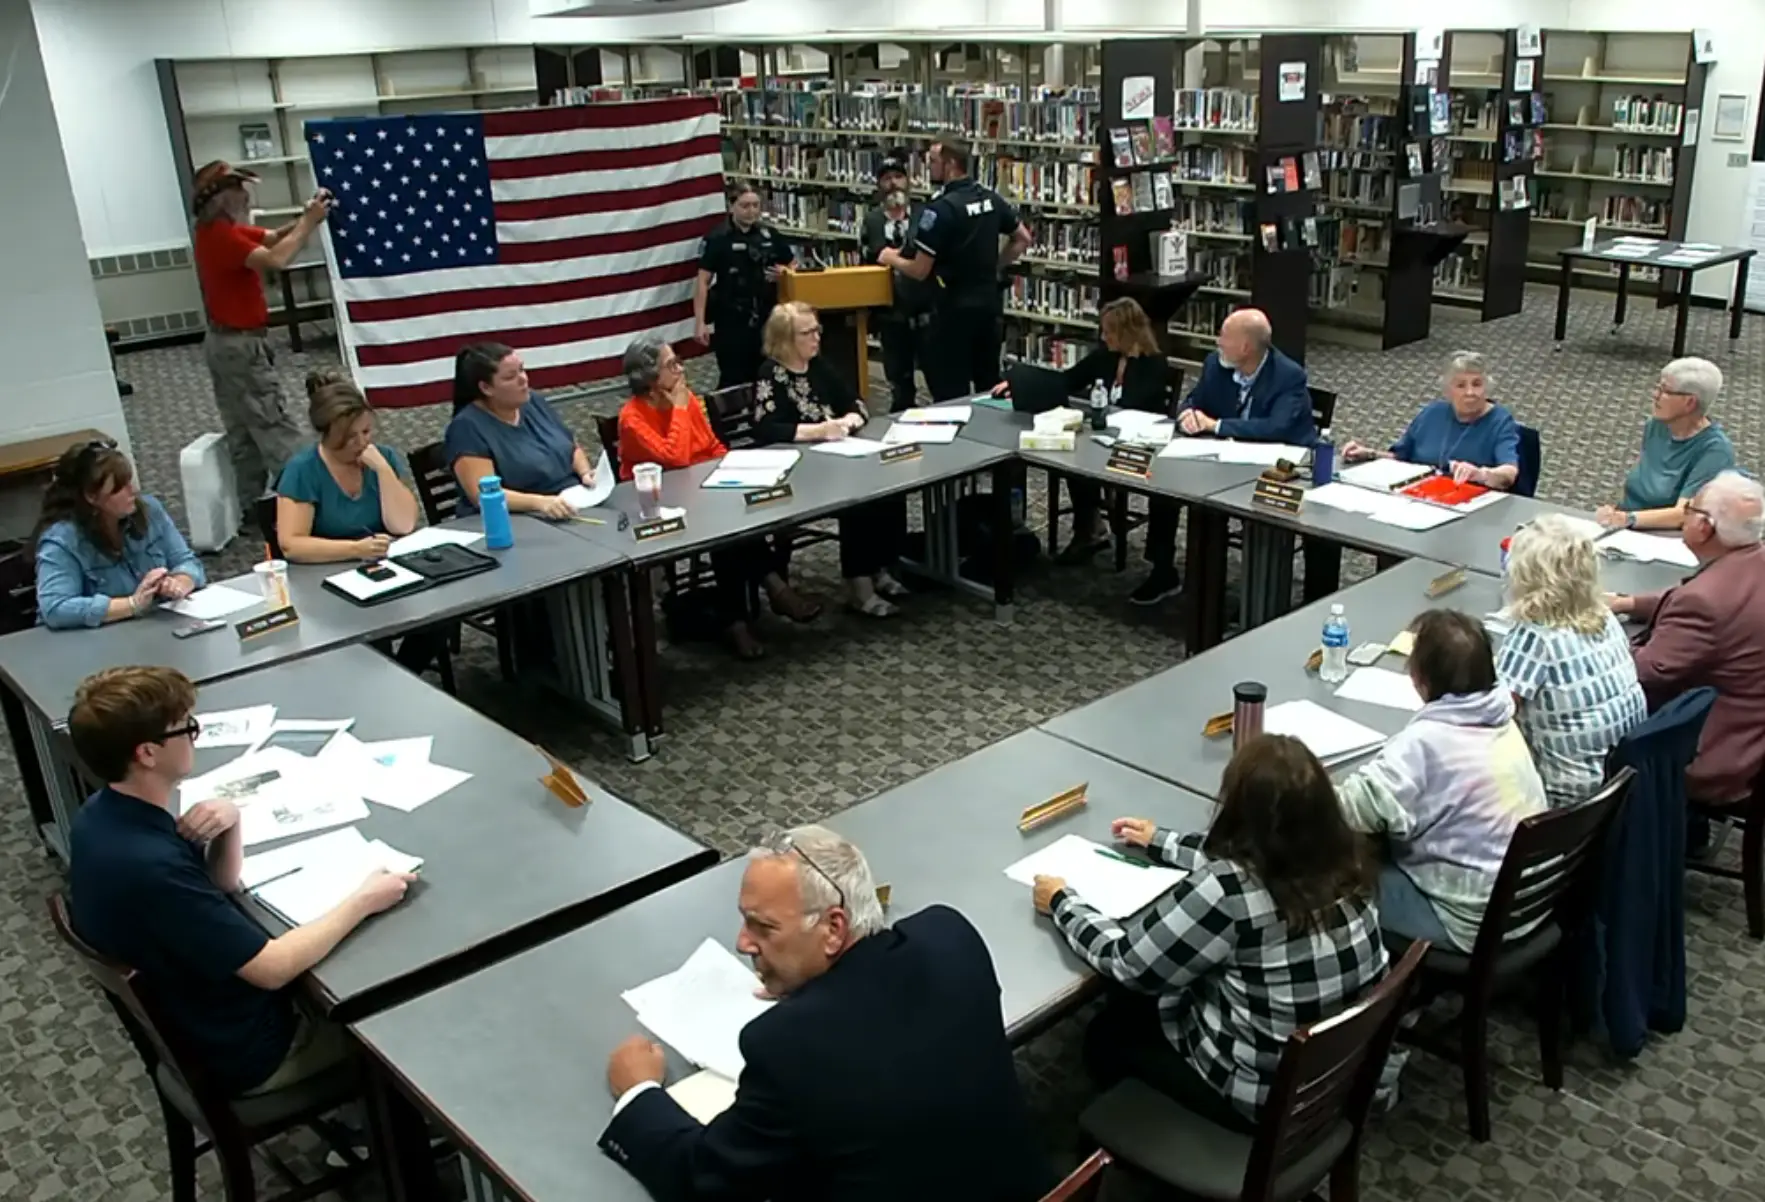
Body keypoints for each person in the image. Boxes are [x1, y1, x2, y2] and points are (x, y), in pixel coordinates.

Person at [599, 825, 1052, 1202]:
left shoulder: (787, 1046)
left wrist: (637, 1092)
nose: (742, 943)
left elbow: (704, 1180)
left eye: (764, 926)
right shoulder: (949, 935)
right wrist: (815, 993)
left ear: (834, 929)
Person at [66, 666, 414, 1096]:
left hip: (200, 1015)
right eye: (185, 729)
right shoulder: (152, 867)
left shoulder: (100, 815)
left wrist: (230, 822)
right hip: (249, 1050)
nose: (195, 737)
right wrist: (363, 899)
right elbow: (273, 970)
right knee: (397, 1017)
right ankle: (388, 1133)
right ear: (147, 754)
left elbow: (220, 883)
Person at [1035, 734, 1386, 1131]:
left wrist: (1063, 902)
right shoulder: (1348, 861)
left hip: (1262, 1102)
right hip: (1337, 1080)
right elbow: (1264, 855)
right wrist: (1161, 841)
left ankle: (1152, 1146)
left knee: (1107, 1033)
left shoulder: (1229, 890)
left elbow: (1128, 964)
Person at [1335, 610, 1548, 950]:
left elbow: (1350, 810)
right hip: (1529, 905)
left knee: (1335, 869)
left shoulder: (1424, 744)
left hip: (1468, 920)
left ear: (1420, 678)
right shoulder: (1503, 720)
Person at [617, 335, 822, 659]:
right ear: (650, 377)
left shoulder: (685, 400)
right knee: (726, 535)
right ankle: (756, 605)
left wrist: (732, 467)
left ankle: (758, 602)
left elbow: (711, 445)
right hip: (664, 505)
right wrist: (682, 410)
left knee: (738, 523)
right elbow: (677, 458)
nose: (681, 369)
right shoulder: (633, 418)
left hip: (705, 488)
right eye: (672, 365)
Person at [1132, 308, 1314, 607]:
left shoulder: (1288, 376)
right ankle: (1163, 570)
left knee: (1257, 508)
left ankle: (1258, 603)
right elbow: (1194, 400)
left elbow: (1276, 427)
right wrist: (1188, 415)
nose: (1217, 342)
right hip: (1222, 455)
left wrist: (1215, 425)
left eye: (1224, 336)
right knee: (1165, 486)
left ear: (1245, 348)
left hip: (1275, 466)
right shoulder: (1216, 365)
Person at [1610, 471, 1765, 804]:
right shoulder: (1751, 561)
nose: (1685, 516)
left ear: (1705, 527)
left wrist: (1592, 642)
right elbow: (1694, 596)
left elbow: (1644, 672)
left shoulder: (1706, 601)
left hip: (1713, 747)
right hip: (1753, 726)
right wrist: (1629, 604)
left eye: (1691, 509)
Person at [190, 160, 328, 523]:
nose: (245, 196)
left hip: (226, 344)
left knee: (244, 432)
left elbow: (270, 238)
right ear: (221, 198)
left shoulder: (220, 232)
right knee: (273, 424)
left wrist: (305, 217)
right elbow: (277, 259)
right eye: (238, 190)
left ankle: (254, 508)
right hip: (240, 346)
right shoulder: (222, 236)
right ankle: (309, 504)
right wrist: (310, 223)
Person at [753, 302, 909, 617]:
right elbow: (767, 428)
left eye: (817, 330)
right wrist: (819, 430)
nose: (816, 338)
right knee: (857, 498)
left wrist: (850, 420)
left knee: (891, 484)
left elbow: (853, 401)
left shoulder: (818, 365)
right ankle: (859, 585)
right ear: (786, 339)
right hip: (798, 468)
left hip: (836, 455)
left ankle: (881, 567)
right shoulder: (772, 375)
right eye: (807, 332)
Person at [995, 297, 1175, 563]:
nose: (1104, 337)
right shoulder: (1104, 357)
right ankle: (1088, 529)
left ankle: (1094, 529)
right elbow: (1067, 380)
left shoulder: (1153, 364)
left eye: (1109, 332)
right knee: (1072, 459)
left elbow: (1136, 405)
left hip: (1136, 445)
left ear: (1127, 332)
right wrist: (1020, 381)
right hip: (1100, 437)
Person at [1496, 516, 1647, 808]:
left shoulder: (1536, 635)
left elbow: (1492, 715)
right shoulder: (1604, 615)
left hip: (1562, 801)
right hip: (1614, 785)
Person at [878, 139, 1031, 401]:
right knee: (988, 385)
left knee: (950, 392)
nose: (929, 168)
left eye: (934, 163)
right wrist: (995, 265)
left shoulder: (940, 210)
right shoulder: (990, 198)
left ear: (950, 165)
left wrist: (891, 258)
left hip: (951, 312)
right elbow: (1023, 238)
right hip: (988, 306)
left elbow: (920, 270)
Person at [35, 440, 206, 630]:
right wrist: (132, 604)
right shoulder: (63, 541)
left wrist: (179, 582)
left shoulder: (150, 511)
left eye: (129, 482)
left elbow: (187, 562)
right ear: (91, 496)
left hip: (150, 629)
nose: (132, 490)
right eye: (119, 487)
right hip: (94, 640)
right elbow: (55, 609)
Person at [275, 370, 419, 562]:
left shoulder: (383, 457)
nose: (362, 442)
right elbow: (291, 545)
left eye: (366, 431)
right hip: (326, 568)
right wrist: (355, 549)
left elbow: (403, 525)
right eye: (350, 437)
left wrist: (384, 471)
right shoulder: (303, 470)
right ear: (328, 434)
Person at [444, 342, 597, 518]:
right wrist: (540, 502)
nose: (523, 379)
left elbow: (570, 446)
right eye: (510, 377)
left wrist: (585, 472)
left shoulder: (533, 401)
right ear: (486, 388)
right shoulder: (466, 428)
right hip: (516, 518)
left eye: (522, 370)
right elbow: (483, 495)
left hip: (571, 502)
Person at [1595, 357, 1735, 532]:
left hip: (1664, 536)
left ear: (1689, 402)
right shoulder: (1656, 425)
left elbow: (1684, 514)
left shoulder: (1715, 450)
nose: (1656, 395)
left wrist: (1627, 519)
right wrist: (1614, 514)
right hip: (1628, 526)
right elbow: (1638, 483)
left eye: (1665, 391)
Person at [1343, 351, 1520, 489]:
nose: (1470, 392)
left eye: (1477, 384)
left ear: (1487, 387)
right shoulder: (1432, 413)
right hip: (1420, 496)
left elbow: (1509, 473)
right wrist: (1369, 454)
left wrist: (1481, 474)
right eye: (1461, 385)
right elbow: (1401, 457)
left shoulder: (1500, 421)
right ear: (1448, 390)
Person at [694, 185, 797, 388]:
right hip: (732, 319)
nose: (751, 211)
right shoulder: (717, 238)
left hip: (766, 316)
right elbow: (702, 281)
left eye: (756, 205)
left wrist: (784, 273)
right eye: (745, 206)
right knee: (733, 378)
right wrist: (700, 322)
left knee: (768, 375)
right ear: (731, 206)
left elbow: (793, 264)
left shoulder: (769, 235)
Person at [860, 153, 935, 412]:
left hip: (926, 309)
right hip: (891, 313)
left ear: (908, 180)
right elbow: (869, 260)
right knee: (899, 380)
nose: (893, 184)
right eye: (886, 179)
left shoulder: (925, 215)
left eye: (898, 177)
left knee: (936, 376)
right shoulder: (872, 221)